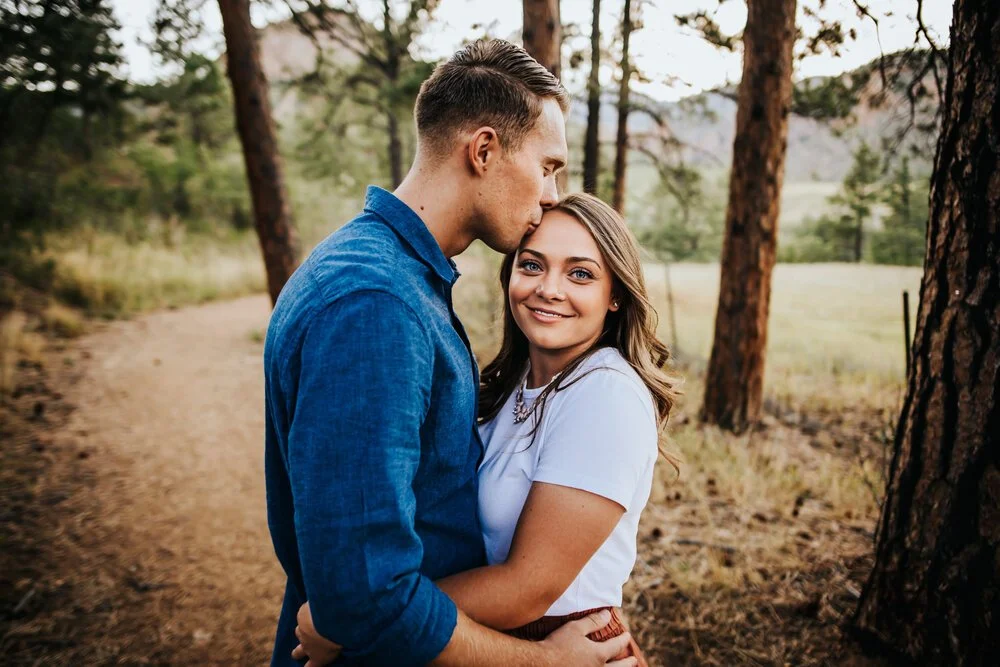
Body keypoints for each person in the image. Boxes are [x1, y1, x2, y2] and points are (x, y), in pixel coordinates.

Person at [263, 39, 637, 666]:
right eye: (547, 166)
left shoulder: (397, 277)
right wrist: (547, 663)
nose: (550, 194)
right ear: (484, 150)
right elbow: (366, 594)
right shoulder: (374, 304)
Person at [294, 194, 678, 666]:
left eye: (580, 273)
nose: (549, 289)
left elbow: (526, 587)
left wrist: (362, 616)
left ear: (615, 294)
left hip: (565, 641)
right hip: (496, 634)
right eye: (532, 266)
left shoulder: (606, 394)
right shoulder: (512, 386)